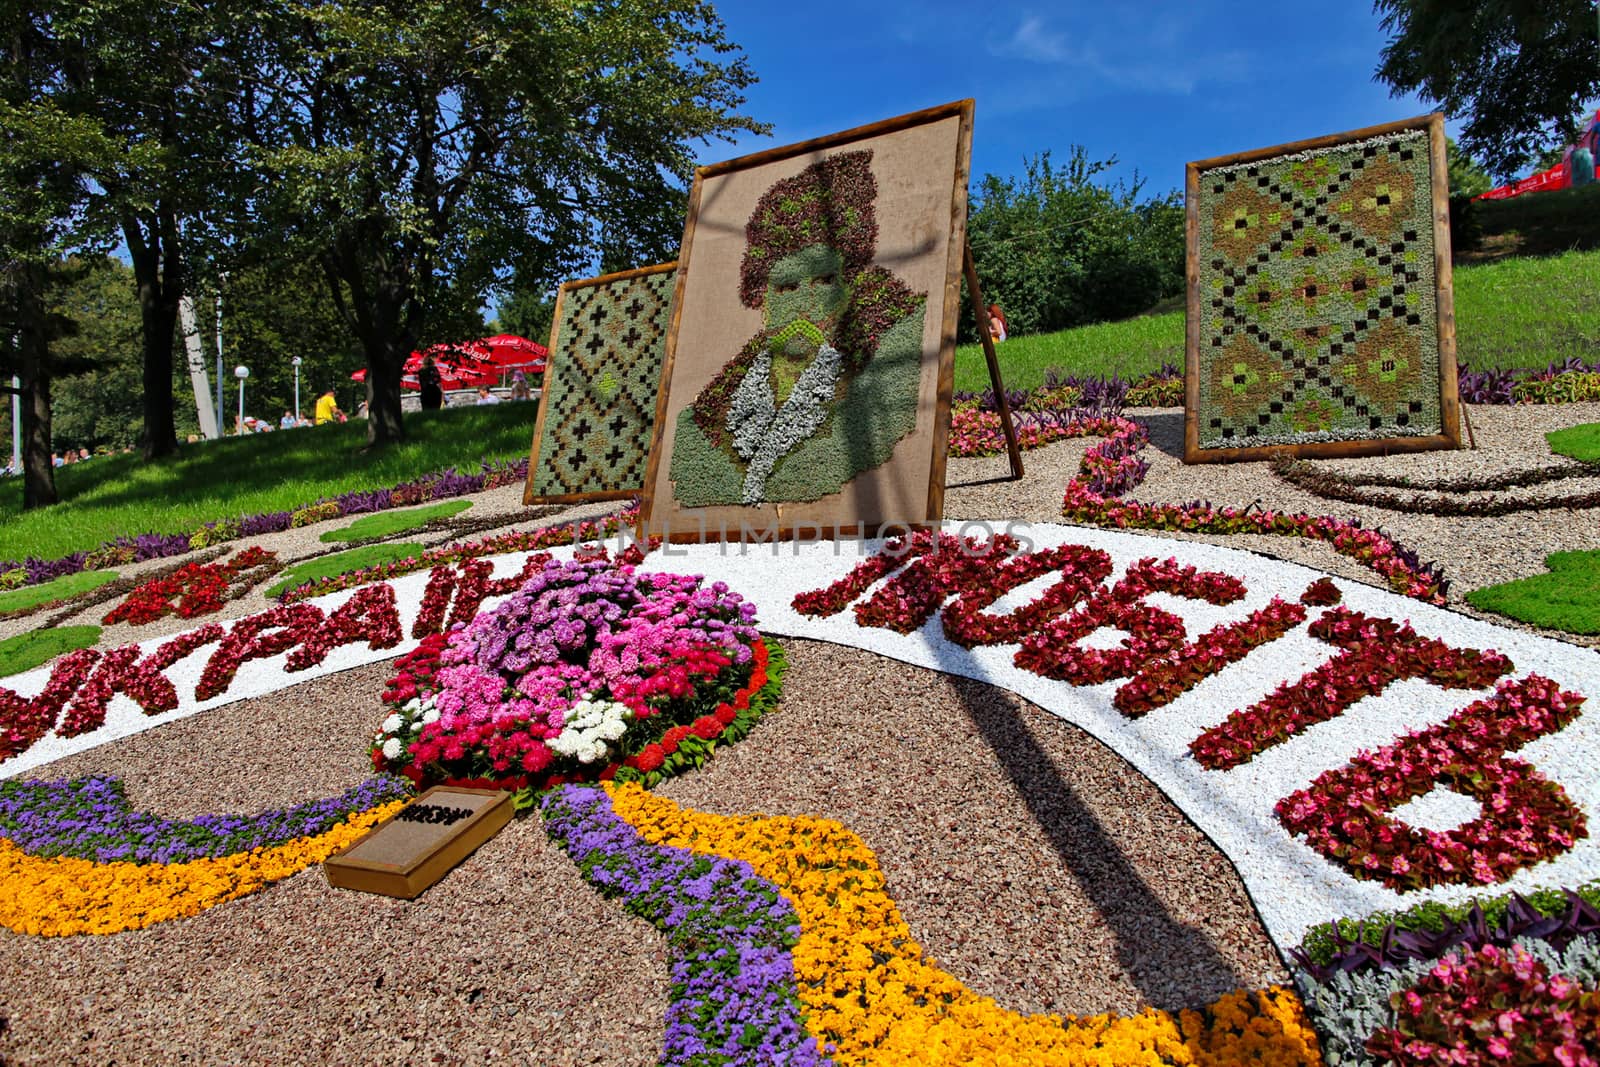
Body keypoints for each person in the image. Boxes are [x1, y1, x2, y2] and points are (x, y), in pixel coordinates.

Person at [669, 149, 925, 506]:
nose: (803, 305)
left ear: (848, 288)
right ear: (764, 299)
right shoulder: (699, 425)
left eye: (823, 281)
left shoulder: (881, 376)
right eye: (787, 287)